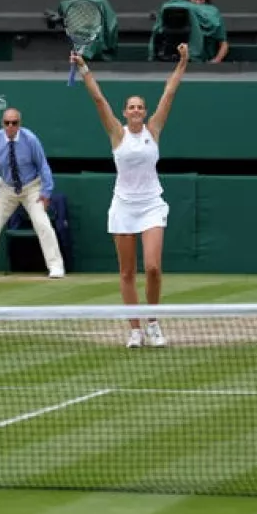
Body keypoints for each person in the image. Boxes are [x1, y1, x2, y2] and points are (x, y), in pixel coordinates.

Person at [70, 44, 189, 348]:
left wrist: (183, 62)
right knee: (126, 272)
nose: (136, 110)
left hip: (151, 205)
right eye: (131, 107)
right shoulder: (116, 133)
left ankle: (153, 322)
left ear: (145, 112)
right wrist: (83, 68)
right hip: (123, 206)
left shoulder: (154, 129)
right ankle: (135, 329)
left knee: (152, 267)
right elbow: (98, 98)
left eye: (140, 106)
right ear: (125, 113)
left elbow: (169, 94)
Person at [0, 108, 65, 279]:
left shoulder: (30, 139)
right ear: (2, 123)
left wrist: (46, 191)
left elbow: (42, 165)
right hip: (5, 188)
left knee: (42, 223)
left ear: (20, 124)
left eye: (14, 123)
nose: (10, 126)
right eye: (7, 123)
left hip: (31, 187)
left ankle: (56, 267)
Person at [186, 0, 229, 64]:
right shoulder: (183, 14)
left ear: (206, 0)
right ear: (189, 0)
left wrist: (216, 61)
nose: (198, 2)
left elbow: (223, 44)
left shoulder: (214, 16)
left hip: (206, 62)